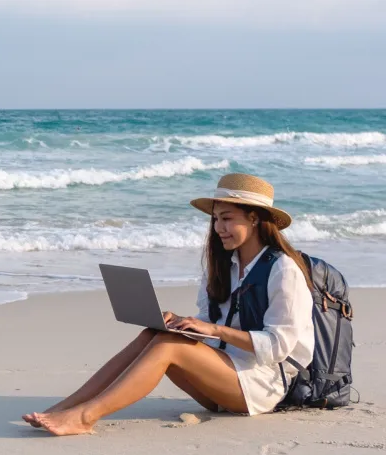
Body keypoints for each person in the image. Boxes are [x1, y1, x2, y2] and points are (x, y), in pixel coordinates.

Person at [22, 173, 315, 436]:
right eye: (215, 219)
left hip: (262, 385)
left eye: (227, 218)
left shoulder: (283, 270)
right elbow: (212, 322)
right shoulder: (224, 265)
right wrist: (184, 324)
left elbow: (278, 346)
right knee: (156, 334)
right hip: (221, 378)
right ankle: (67, 406)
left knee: (168, 346)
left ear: (254, 218)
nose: (218, 228)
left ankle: (85, 417)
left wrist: (213, 330)